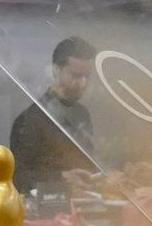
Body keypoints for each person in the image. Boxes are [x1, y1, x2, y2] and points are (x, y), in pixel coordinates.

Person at [9, 35, 96, 196]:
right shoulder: (30, 119)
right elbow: (17, 177)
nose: (82, 83)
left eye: (87, 76)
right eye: (75, 75)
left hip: (81, 203)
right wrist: (61, 177)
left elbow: (88, 164)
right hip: (45, 206)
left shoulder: (82, 114)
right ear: (56, 70)